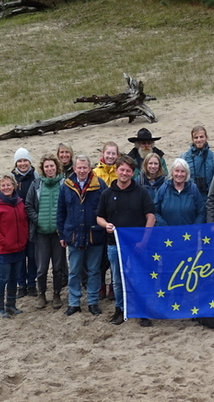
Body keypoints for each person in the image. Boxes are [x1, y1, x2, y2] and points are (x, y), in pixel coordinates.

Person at [97, 155, 156, 326]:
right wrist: (105, 224)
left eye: (128, 171)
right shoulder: (107, 194)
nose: (124, 173)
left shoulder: (141, 192)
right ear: (116, 170)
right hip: (114, 244)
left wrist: (144, 241)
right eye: (121, 169)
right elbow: (99, 217)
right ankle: (120, 309)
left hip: (138, 246)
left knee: (139, 277)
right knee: (117, 279)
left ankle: (143, 311)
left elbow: (150, 217)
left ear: (133, 173)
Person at [57, 154, 108, 316]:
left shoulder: (99, 185)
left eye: (85, 167)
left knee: (94, 270)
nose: (82, 171)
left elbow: (105, 209)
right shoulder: (66, 185)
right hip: (74, 234)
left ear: (90, 168)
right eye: (79, 167)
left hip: (95, 234)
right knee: (74, 271)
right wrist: (62, 235)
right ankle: (74, 302)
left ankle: (92, 301)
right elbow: (61, 211)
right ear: (74, 168)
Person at [26, 153, 66, 310]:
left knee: (58, 267)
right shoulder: (36, 184)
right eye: (47, 166)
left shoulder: (64, 183)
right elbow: (28, 205)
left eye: (52, 166)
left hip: (58, 234)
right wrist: (38, 219)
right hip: (41, 233)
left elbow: (68, 206)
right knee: (41, 268)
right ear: (43, 168)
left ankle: (56, 294)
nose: (50, 169)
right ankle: (41, 293)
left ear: (57, 167)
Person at [0, 174, 29, 318]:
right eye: (3, 185)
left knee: (14, 278)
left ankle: (11, 305)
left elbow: (24, 223)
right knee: (3, 278)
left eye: (8, 185)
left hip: (19, 247)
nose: (6, 188)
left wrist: (23, 238)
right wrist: (3, 240)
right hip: (4, 249)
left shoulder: (19, 203)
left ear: (14, 186)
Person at [92, 140, 121, 301]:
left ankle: (112, 285)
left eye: (113, 153)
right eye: (108, 153)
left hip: (117, 219)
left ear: (117, 155)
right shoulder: (95, 172)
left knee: (114, 256)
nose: (110, 156)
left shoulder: (120, 171)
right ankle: (101, 285)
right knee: (100, 255)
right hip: (100, 217)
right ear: (102, 154)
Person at [11, 147, 40, 298]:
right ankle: (21, 284)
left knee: (33, 255)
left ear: (29, 162)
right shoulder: (11, 178)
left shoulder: (36, 176)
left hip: (33, 222)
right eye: (19, 161)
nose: (22, 164)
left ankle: (32, 284)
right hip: (17, 224)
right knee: (20, 255)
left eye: (25, 160)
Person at [155, 158, 206, 226]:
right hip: (168, 234)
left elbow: (202, 212)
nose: (179, 174)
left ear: (187, 173)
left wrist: (195, 228)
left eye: (182, 171)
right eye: (177, 171)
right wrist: (164, 226)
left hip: (188, 234)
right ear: (172, 172)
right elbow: (154, 211)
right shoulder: (164, 189)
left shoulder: (193, 189)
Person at [182, 125, 214, 195]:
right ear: (192, 139)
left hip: (209, 198)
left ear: (206, 138)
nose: (199, 140)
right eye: (196, 137)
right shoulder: (184, 158)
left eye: (201, 137)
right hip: (190, 197)